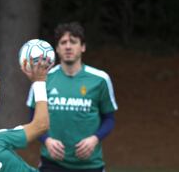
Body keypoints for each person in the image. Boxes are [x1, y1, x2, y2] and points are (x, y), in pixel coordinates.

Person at [26, 22, 118, 172]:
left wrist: (94, 139)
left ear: (83, 47)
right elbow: (32, 118)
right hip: (52, 164)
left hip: (90, 165)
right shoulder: (43, 78)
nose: (68, 46)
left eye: (73, 42)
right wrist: (46, 140)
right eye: (63, 42)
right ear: (57, 48)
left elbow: (109, 119)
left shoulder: (100, 79)